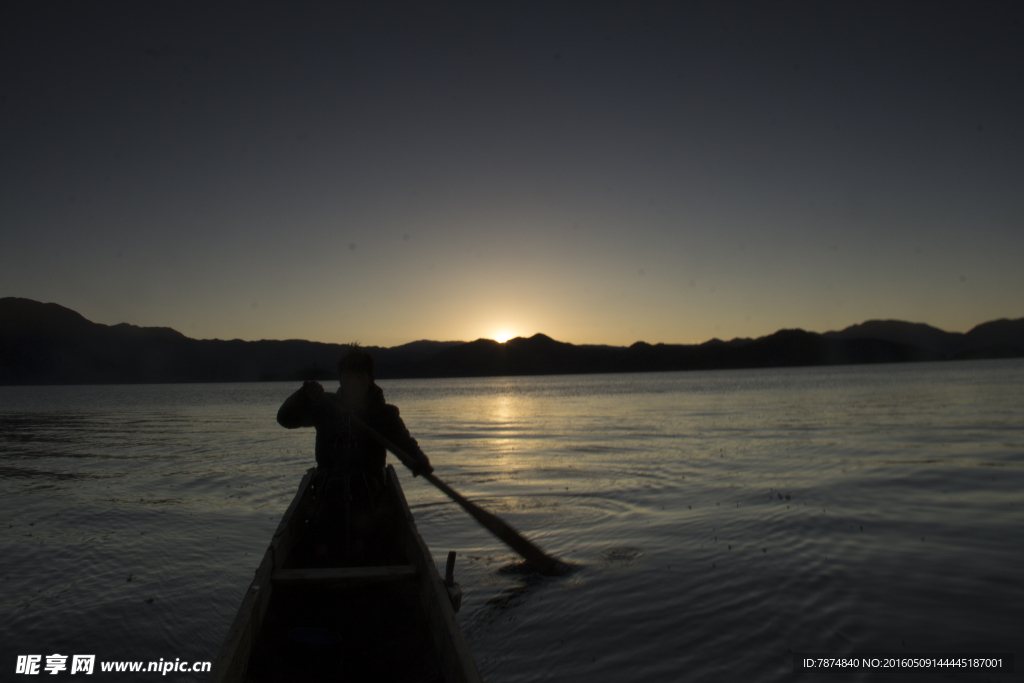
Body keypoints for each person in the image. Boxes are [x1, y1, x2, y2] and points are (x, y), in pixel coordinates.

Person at [277, 345, 432, 561]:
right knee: (333, 493)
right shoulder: (326, 407)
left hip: (370, 489)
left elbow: (405, 444)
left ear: (370, 379)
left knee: (363, 501)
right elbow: (285, 419)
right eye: (348, 378)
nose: (354, 383)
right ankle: (325, 554)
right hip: (328, 488)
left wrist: (420, 462)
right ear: (341, 379)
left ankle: (363, 552)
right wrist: (302, 396)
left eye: (360, 377)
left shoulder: (385, 414)